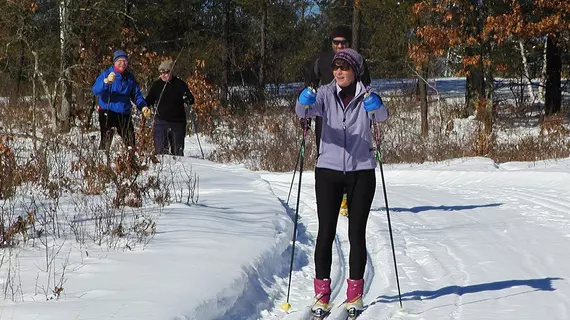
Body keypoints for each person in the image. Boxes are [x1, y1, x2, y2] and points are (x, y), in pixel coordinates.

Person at [296, 48, 388, 317]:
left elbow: (382, 116)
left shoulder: (367, 95)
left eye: (344, 68)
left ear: (354, 71)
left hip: (362, 171)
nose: (338, 72)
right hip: (328, 170)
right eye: (336, 67)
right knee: (326, 233)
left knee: (356, 234)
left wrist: (378, 105)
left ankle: (355, 295)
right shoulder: (325, 93)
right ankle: (322, 294)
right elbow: (304, 112)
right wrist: (302, 101)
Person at [305, 25, 372, 217]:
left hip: (352, 113)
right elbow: (310, 85)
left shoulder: (358, 60)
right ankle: (333, 195)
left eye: (344, 42)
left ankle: (348, 195)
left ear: (349, 43)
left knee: (351, 151)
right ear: (331, 43)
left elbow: (366, 85)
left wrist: (370, 106)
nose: (340, 45)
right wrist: (306, 110)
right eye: (336, 42)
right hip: (324, 113)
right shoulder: (320, 60)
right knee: (326, 152)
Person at [92, 49, 148, 151]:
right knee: (106, 141)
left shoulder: (129, 78)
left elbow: (136, 95)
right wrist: (106, 82)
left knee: (130, 142)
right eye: (120, 61)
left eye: (125, 61)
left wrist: (143, 106)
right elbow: (96, 90)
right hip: (107, 111)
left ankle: (131, 162)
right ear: (114, 62)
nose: (122, 63)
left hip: (124, 113)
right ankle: (103, 163)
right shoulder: (106, 74)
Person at [144, 60, 195, 156]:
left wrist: (187, 98)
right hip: (161, 122)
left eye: (166, 72)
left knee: (177, 152)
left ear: (171, 72)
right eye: (161, 72)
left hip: (178, 123)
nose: (163, 75)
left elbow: (191, 99)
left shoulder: (180, 84)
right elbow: (149, 100)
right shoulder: (157, 85)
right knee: (161, 153)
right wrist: (144, 107)